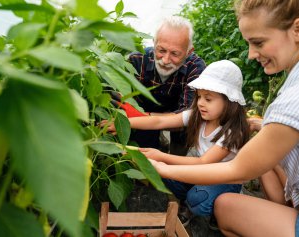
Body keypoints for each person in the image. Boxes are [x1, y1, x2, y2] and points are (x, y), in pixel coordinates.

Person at [147, 0, 299, 236]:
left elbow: (238, 168)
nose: (252, 54)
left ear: (298, 29)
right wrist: (266, 125)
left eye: (258, 42)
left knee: (222, 204)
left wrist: (161, 166)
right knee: (227, 205)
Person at [102, 60, 250, 227]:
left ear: (230, 102)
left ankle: (213, 209)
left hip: (223, 181)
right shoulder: (198, 116)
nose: (201, 102)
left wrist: (160, 156)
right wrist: (124, 122)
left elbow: (203, 162)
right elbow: (158, 122)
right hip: (201, 173)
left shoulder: (232, 133)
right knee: (161, 175)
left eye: (208, 99)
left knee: (197, 197)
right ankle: (190, 197)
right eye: (199, 96)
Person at [127, 15, 206, 155]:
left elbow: (187, 115)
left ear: (189, 52)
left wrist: (147, 118)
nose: (165, 60)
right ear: (154, 43)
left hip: (176, 118)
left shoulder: (195, 68)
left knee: (185, 136)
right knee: (144, 143)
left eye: (175, 53)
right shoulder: (137, 60)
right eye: (161, 50)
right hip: (143, 112)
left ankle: (176, 162)